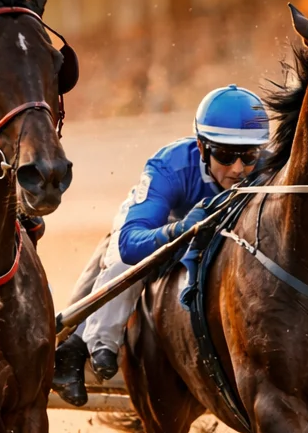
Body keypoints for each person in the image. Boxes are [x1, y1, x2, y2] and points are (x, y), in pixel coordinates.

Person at [52, 85, 268, 406]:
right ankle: (93, 345)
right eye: (224, 154)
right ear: (201, 147)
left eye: (249, 156)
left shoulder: (270, 168)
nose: (238, 169)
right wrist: (181, 229)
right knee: (126, 260)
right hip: (159, 236)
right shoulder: (170, 165)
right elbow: (129, 244)